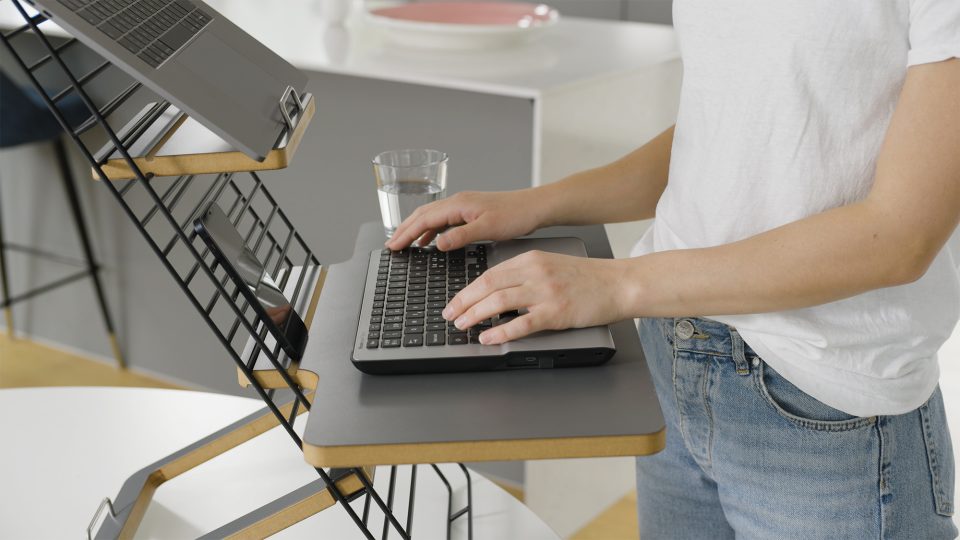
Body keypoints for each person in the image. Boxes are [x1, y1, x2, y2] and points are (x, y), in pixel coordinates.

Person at [386, 2, 960, 538]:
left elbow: (901, 236)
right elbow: (722, 133)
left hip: (826, 405)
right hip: (673, 351)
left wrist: (619, 284)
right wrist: (537, 204)